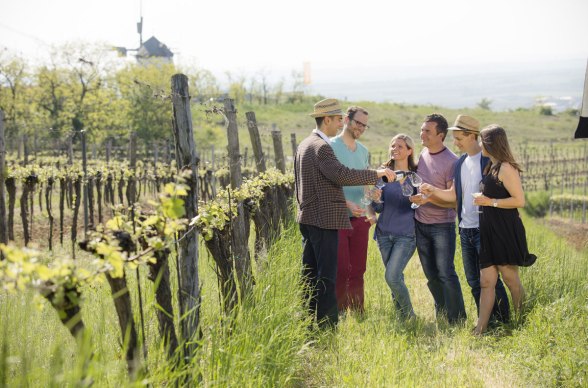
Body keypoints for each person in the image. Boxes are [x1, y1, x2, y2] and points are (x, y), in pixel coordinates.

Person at [294, 98, 396, 328]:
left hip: (309, 217)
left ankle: (307, 320)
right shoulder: (322, 147)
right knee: (327, 275)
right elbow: (342, 175)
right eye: (339, 119)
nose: (340, 124)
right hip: (325, 220)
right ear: (327, 119)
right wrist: (377, 174)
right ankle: (327, 325)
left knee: (309, 273)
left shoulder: (304, 144)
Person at [420, 115, 510, 324]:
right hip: (465, 229)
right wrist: (432, 190)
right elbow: (453, 196)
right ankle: (486, 322)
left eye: (459, 137)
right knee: (473, 280)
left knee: (492, 281)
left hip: (485, 229)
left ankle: (503, 321)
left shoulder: (488, 161)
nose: (455, 142)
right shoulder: (461, 163)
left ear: (472, 136)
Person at [473, 125, 536, 335]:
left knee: (510, 279)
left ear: (490, 143)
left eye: (482, 140)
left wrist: (490, 202)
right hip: (489, 230)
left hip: (504, 230)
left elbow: (520, 200)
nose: (480, 144)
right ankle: (479, 330)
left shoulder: (506, 168)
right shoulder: (491, 166)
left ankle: (522, 323)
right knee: (486, 281)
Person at [409, 113, 467, 324]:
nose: (422, 134)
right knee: (431, 275)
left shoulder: (453, 162)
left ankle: (458, 319)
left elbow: (454, 201)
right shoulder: (423, 153)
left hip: (442, 226)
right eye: (422, 129)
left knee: (445, 272)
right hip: (420, 224)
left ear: (440, 135)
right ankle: (442, 313)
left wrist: (429, 198)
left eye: (427, 131)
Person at [330, 106, 374, 313]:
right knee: (341, 269)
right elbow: (328, 184)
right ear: (346, 120)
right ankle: (338, 312)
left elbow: (366, 184)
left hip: (360, 219)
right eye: (358, 123)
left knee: (358, 269)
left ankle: (357, 312)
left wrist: (369, 200)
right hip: (338, 217)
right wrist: (347, 203)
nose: (361, 128)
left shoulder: (364, 152)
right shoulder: (329, 147)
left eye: (364, 125)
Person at [371, 134, 418, 320]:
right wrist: (375, 199)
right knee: (396, 277)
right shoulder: (383, 175)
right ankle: (401, 316)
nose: (395, 149)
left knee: (391, 276)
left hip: (406, 234)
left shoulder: (415, 177)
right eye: (392, 145)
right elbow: (378, 208)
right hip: (383, 234)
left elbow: (418, 204)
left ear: (409, 150)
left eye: (400, 146)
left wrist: (416, 198)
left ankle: (410, 315)